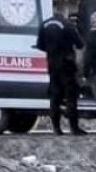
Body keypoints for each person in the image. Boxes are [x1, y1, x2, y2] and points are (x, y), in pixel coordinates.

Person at [36, 1, 86, 135]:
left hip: (52, 65)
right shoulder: (68, 25)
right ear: (65, 11)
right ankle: (74, 128)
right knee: (71, 97)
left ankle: (56, 128)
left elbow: (40, 46)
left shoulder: (44, 24)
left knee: (55, 98)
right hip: (67, 65)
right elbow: (80, 44)